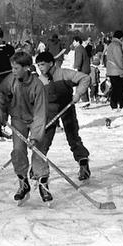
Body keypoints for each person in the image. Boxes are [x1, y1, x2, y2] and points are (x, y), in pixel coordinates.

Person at [0, 51, 49, 204]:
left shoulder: (38, 86)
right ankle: (23, 183)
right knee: (18, 151)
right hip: (17, 119)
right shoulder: (11, 80)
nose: (13, 71)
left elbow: (40, 113)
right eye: (12, 68)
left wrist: (35, 137)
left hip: (34, 120)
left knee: (39, 151)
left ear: (26, 68)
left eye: (16, 68)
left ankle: (43, 184)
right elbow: (0, 94)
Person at [35, 51, 92, 181]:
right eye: (38, 65)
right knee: (44, 140)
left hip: (67, 108)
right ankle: (37, 168)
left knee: (73, 138)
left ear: (51, 63)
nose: (41, 68)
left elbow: (85, 78)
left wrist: (78, 94)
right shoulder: (40, 80)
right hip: (49, 112)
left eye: (43, 64)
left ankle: (83, 164)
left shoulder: (64, 73)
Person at [105, 31, 123, 112]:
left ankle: (114, 105)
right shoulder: (117, 45)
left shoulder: (111, 44)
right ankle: (122, 105)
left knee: (115, 88)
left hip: (111, 70)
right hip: (117, 70)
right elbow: (119, 59)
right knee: (122, 88)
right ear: (121, 37)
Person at [72, 36, 91, 106]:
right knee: (83, 84)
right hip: (85, 68)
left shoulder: (79, 49)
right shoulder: (82, 48)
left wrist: (77, 67)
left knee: (81, 85)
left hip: (82, 69)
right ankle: (84, 100)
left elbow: (79, 59)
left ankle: (85, 101)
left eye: (74, 41)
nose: (73, 43)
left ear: (77, 42)